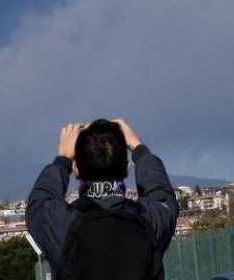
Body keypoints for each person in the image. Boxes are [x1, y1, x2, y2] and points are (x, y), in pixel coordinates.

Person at [25, 118, 178, 279]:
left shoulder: (62, 226)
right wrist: (138, 148)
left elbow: (39, 201)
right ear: (126, 169)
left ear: (76, 170)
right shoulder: (149, 221)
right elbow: (162, 193)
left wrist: (63, 158)